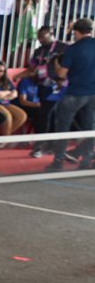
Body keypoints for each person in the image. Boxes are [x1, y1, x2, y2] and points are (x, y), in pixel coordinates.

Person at [48, 17, 95, 170]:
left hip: (75, 92)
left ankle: (58, 161)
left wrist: (56, 62)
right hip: (92, 92)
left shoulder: (73, 49)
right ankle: (86, 160)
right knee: (89, 127)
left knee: (63, 126)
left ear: (76, 32)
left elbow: (61, 73)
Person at [0, 61, 27, 136]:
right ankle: (4, 141)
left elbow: (15, 94)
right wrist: (7, 92)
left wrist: (4, 94)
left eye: (1, 71)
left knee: (22, 116)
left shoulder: (6, 81)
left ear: (4, 72)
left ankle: (4, 136)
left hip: (5, 103)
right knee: (7, 116)